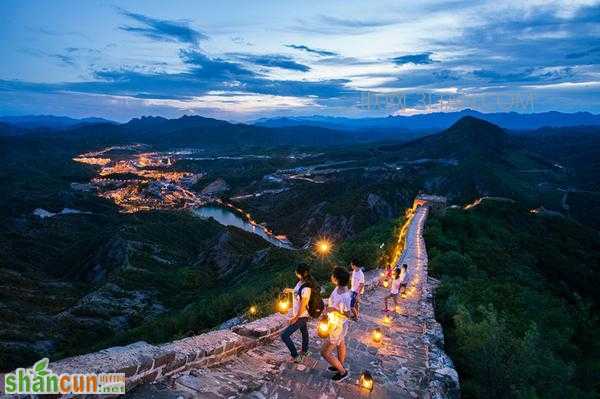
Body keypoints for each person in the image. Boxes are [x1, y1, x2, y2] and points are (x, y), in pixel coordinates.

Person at [320, 266, 352, 382]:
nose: (331, 276)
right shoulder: (339, 288)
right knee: (341, 343)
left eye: (333, 275)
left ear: (337, 279)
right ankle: (339, 365)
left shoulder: (345, 296)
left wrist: (333, 309)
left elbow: (348, 315)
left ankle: (343, 372)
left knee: (324, 352)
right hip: (335, 323)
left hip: (338, 326)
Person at [281, 263, 312, 363]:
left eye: (297, 271)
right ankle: (305, 351)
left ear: (300, 273)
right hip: (300, 315)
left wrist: (296, 318)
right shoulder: (301, 282)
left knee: (284, 335)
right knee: (304, 332)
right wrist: (288, 290)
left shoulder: (306, 287)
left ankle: (296, 356)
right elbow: (297, 292)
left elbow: (304, 304)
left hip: (302, 316)